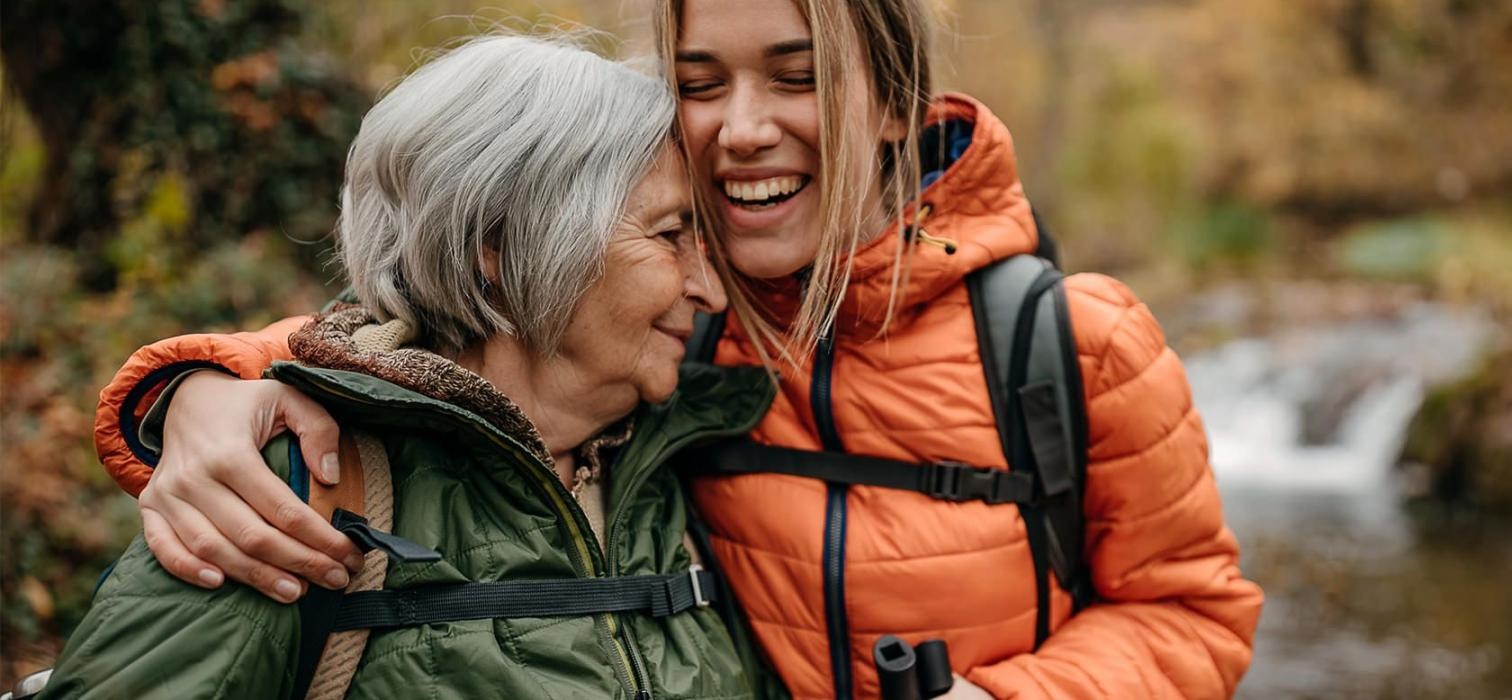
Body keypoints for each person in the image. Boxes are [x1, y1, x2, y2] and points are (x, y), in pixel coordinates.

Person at [88, 1, 1266, 697]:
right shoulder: (671, 325)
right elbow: (426, 341)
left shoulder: (1068, 337)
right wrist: (203, 384)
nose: (742, 127)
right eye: (699, 83)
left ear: (899, 99)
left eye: (798, 76)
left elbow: (1197, 616)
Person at [47, 34, 781, 699]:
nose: (709, 288)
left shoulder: (675, 477)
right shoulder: (291, 497)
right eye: (669, 235)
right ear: (499, 249)